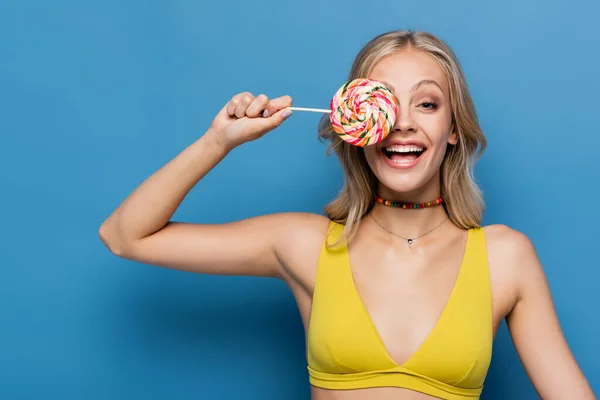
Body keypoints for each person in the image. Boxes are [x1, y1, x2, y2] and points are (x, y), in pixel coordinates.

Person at [98, 30, 595, 400]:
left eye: (426, 103)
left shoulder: (505, 258)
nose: (401, 122)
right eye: (384, 102)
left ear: (453, 130)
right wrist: (218, 142)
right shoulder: (305, 245)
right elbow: (125, 237)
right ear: (354, 126)